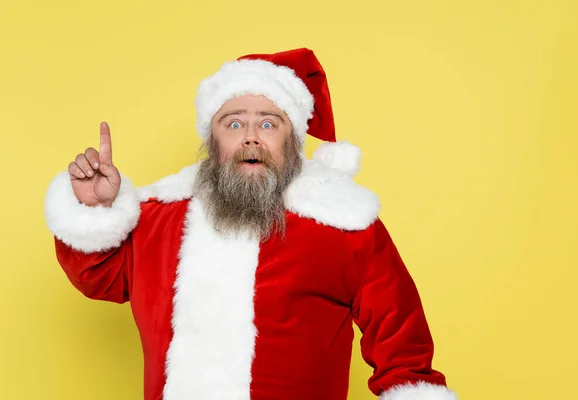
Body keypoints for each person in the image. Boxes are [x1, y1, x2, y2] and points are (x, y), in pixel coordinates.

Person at [43, 48, 458, 400]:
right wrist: (94, 211)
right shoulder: (159, 218)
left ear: (292, 139)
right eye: (234, 123)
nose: (251, 137)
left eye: (268, 123)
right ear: (213, 138)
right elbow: (102, 279)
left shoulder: (346, 227)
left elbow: (403, 351)